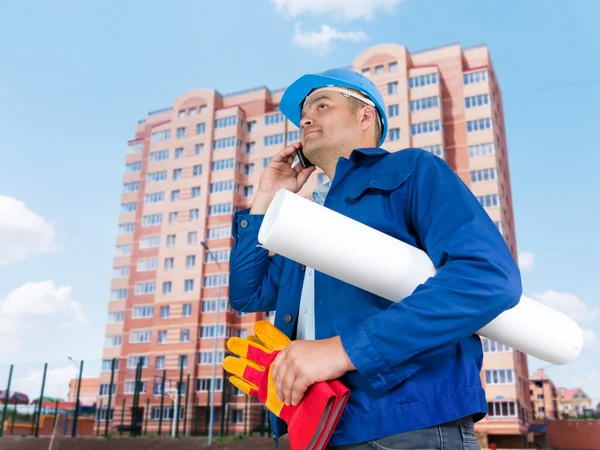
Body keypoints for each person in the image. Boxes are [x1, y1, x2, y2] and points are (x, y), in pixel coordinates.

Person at [228, 68, 522, 449]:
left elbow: (487, 277)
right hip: (312, 428)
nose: (305, 118)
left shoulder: (413, 171)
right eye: (303, 113)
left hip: (406, 423)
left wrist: (342, 351)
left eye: (321, 104)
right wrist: (266, 199)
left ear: (365, 116)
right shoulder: (304, 222)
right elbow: (247, 296)